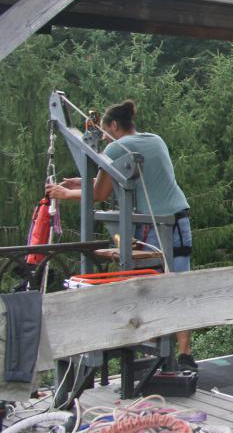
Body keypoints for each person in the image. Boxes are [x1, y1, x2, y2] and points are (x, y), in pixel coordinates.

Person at [45, 99, 197, 369]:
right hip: (179, 221)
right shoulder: (154, 140)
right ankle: (184, 356)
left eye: (104, 132)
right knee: (180, 287)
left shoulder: (117, 147)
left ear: (114, 125)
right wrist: (81, 182)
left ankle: (155, 356)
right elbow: (127, 177)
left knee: (149, 290)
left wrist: (66, 193)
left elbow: (101, 193)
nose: (103, 138)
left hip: (153, 226)